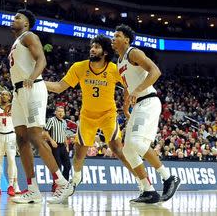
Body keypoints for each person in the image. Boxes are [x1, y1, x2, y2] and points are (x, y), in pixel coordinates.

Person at [46, 35, 140, 198]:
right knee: (78, 154)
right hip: (87, 116)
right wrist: (38, 82)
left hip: (108, 115)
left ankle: (142, 182)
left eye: (96, 47)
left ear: (104, 52)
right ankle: (75, 181)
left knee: (118, 149)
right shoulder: (79, 67)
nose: (92, 49)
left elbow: (128, 85)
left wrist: (126, 107)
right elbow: (60, 87)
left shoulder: (113, 68)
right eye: (92, 46)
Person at [112, 24, 181, 203]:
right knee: (127, 150)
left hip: (149, 100)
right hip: (139, 104)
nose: (113, 38)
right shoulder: (119, 61)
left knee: (135, 142)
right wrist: (126, 105)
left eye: (117, 36)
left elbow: (155, 71)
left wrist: (137, 91)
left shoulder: (133, 53)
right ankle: (148, 190)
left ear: (126, 39)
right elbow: (128, 86)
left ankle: (168, 177)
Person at [8, 9, 70, 204]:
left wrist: (32, 77)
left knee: (35, 135)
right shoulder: (16, 42)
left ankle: (62, 183)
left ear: (26, 24)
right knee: (21, 139)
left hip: (32, 87)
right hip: (18, 92)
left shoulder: (29, 36)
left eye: (18, 17)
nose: (14, 18)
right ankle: (32, 189)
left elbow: (42, 59)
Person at [0, 90, 20, 197]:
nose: (4, 96)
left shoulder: (14, 108)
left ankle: (11, 185)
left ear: (10, 97)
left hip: (11, 135)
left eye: (6, 94)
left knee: (12, 160)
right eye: (2, 94)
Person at [43, 106, 71, 192]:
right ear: (55, 112)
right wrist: (51, 141)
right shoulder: (51, 120)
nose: (60, 113)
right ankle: (55, 185)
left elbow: (64, 134)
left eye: (62, 111)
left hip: (63, 146)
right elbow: (45, 132)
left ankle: (64, 184)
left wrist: (67, 146)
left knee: (68, 166)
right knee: (57, 167)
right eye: (59, 111)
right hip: (55, 146)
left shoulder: (64, 122)